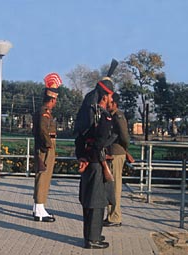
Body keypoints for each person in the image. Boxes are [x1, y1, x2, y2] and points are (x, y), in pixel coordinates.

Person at [75, 77, 115, 249]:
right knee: (97, 203)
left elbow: (79, 139)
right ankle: (93, 239)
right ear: (105, 97)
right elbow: (99, 144)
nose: (111, 100)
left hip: (88, 162)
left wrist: (82, 158)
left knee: (89, 201)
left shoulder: (89, 113)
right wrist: (95, 159)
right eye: (110, 97)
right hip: (97, 163)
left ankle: (91, 235)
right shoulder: (104, 118)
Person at [32, 72, 61, 222]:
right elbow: (43, 130)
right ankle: (39, 209)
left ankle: (38, 207)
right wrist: (49, 145)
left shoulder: (42, 111)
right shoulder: (44, 112)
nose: (55, 103)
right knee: (43, 177)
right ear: (51, 99)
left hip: (44, 146)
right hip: (45, 148)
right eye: (55, 100)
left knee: (42, 176)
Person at [104, 93, 130, 227]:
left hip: (116, 152)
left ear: (115, 104)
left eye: (110, 102)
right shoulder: (112, 116)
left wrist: (123, 149)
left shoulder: (118, 116)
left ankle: (115, 216)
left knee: (115, 185)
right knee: (110, 184)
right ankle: (111, 214)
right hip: (112, 152)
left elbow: (124, 136)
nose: (107, 104)